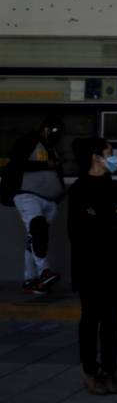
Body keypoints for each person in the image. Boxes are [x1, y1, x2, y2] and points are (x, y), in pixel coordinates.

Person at [68, 138, 117, 395]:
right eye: (110, 154)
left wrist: (103, 217)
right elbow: (80, 231)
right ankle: (90, 370)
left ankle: (109, 370)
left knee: (111, 320)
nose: (114, 159)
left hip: (116, 264)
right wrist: (113, 218)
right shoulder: (78, 190)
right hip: (89, 266)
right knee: (90, 318)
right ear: (95, 157)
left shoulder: (116, 186)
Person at [1, 116, 66, 294]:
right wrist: (45, 164)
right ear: (45, 129)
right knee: (38, 229)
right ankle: (44, 272)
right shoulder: (28, 142)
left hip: (50, 200)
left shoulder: (52, 148)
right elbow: (17, 163)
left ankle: (31, 280)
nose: (57, 135)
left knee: (35, 238)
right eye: (54, 131)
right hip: (28, 195)